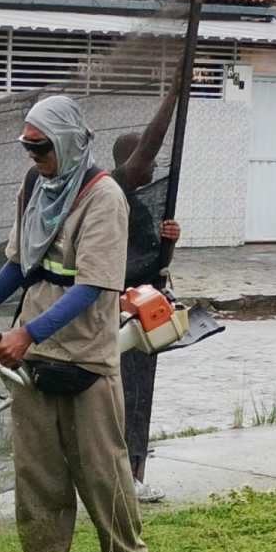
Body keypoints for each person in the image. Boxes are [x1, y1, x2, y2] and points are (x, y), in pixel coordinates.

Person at [0, 94, 150, 552]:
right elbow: (20, 264)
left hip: (85, 354)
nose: (33, 157)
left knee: (102, 472)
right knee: (38, 472)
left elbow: (93, 285)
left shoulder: (104, 197)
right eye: (27, 148)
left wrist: (26, 334)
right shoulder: (37, 185)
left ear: (68, 143)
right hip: (32, 350)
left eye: (41, 148)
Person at [110, 75, 183, 503]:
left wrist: (169, 239)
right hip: (122, 311)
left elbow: (158, 263)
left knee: (139, 392)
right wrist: (175, 89)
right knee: (129, 395)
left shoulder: (142, 206)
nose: (153, 171)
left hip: (147, 304)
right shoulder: (114, 194)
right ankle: (128, 477)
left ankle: (133, 470)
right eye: (148, 165)